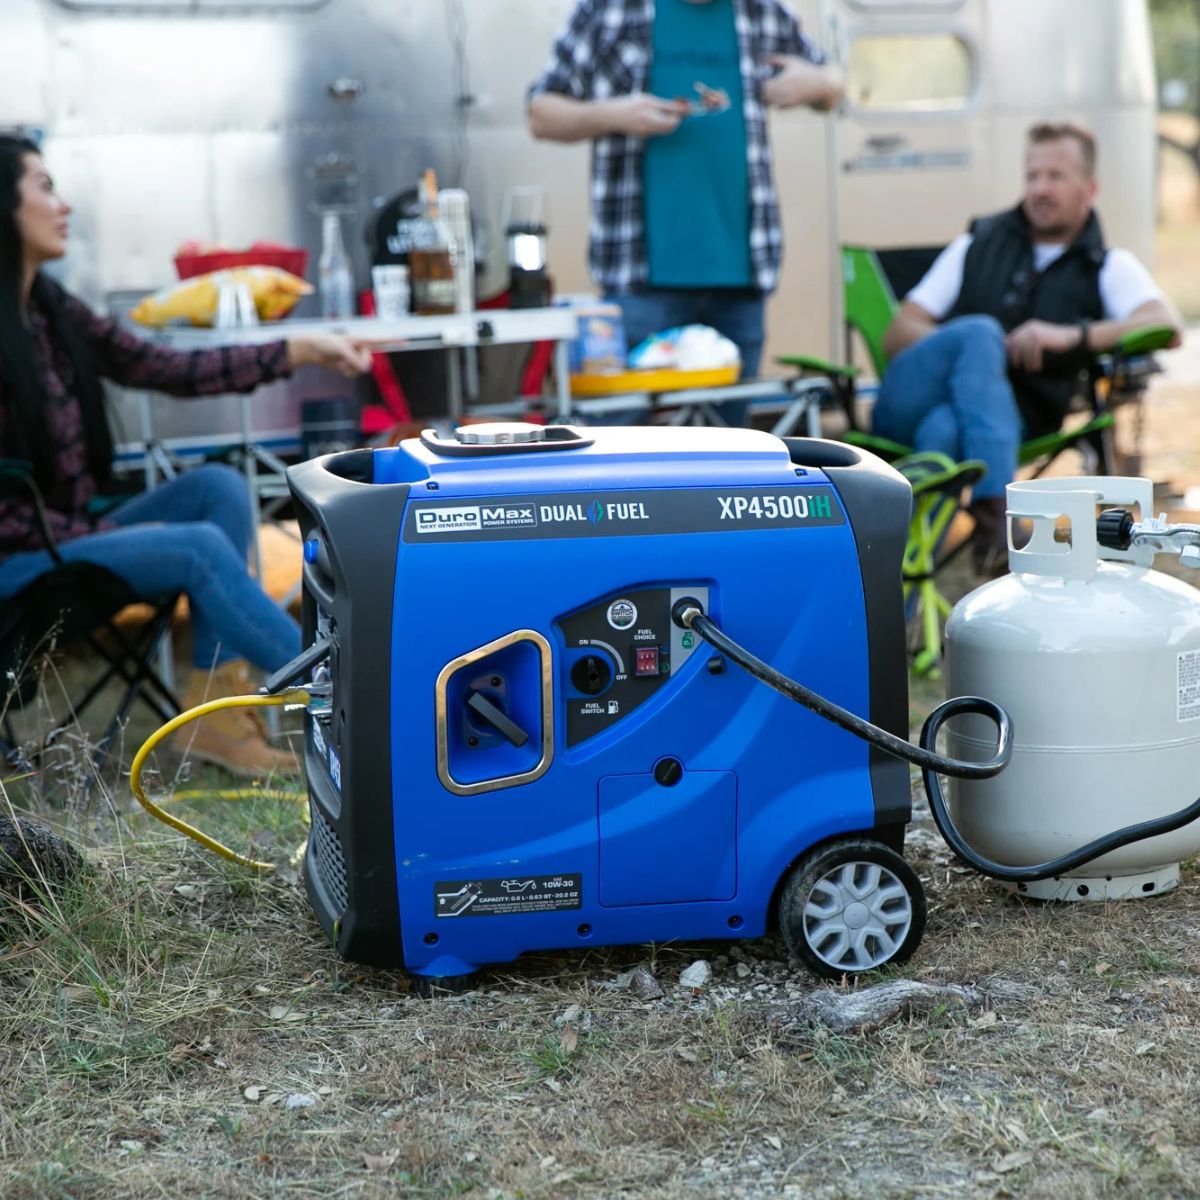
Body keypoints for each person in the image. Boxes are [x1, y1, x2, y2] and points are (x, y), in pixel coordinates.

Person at [0, 135, 373, 776]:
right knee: (195, 545)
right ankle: (366, 698)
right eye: (43, 187)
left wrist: (295, 352)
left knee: (219, 489)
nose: (62, 206)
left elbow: (162, 365)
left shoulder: (50, 311)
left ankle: (217, 716)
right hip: (19, 560)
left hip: (66, 535)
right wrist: (110, 531)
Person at [873, 121, 1183, 573]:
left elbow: (1165, 325)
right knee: (978, 333)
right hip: (909, 402)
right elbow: (899, 334)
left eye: (1056, 177)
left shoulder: (1107, 264)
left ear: (1089, 188)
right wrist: (982, 349)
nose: (1040, 188)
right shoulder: (976, 242)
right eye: (1032, 176)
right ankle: (1001, 513)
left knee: (944, 431)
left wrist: (1072, 336)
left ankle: (907, 574)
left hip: (1009, 422)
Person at [527, 0, 842, 411]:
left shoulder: (762, 11)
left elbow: (834, 83)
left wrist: (820, 84)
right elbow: (540, 113)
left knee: (730, 451)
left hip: (740, 278)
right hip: (638, 281)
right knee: (627, 446)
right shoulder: (610, 10)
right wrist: (614, 114)